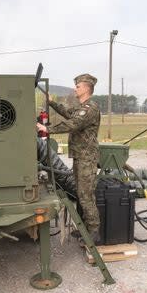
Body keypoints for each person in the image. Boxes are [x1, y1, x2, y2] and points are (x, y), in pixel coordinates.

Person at [37, 73, 101, 243]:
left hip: (87, 158)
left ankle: (94, 232)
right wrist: (51, 102)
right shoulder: (82, 107)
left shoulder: (90, 108)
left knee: (86, 195)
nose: (75, 88)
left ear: (87, 88)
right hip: (80, 157)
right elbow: (67, 112)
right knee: (80, 194)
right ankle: (85, 228)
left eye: (78, 86)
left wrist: (47, 128)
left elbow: (73, 124)